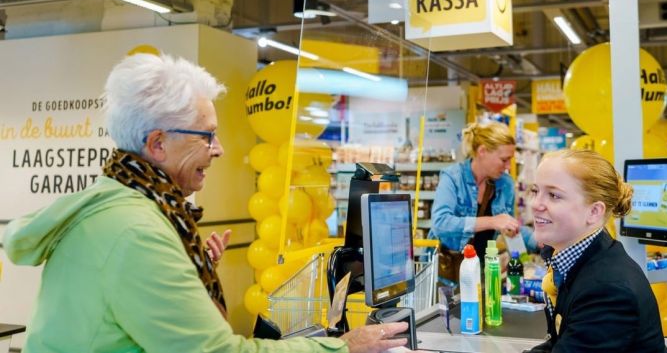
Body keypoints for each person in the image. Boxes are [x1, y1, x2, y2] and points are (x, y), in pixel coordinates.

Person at [3, 53, 410, 353]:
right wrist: (345, 347)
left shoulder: (124, 206)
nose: (219, 149)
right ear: (157, 143)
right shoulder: (135, 231)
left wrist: (187, 272)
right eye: (206, 136)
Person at [526, 149, 665, 353]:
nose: (536, 204)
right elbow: (561, 342)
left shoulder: (608, 290)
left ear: (594, 211)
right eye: (535, 191)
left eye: (554, 195)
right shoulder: (575, 261)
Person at [429, 121, 537, 272]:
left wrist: (538, 240)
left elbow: (509, 227)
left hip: (479, 269)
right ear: (482, 151)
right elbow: (440, 224)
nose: (508, 167)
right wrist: (492, 221)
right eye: (504, 160)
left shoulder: (505, 184)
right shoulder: (453, 177)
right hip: (444, 270)